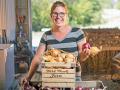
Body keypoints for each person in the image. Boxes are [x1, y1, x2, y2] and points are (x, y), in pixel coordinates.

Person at [22, 1, 90, 85]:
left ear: (66, 15)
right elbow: (38, 58)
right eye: (55, 13)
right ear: (51, 15)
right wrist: (28, 77)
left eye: (62, 13)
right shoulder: (46, 36)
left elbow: (81, 57)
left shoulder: (77, 33)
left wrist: (85, 54)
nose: (58, 17)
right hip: (52, 81)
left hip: (73, 80)